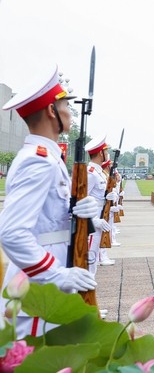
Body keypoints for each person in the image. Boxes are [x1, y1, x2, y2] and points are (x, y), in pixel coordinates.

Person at [0, 66, 101, 338]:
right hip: (37, 290)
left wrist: (78, 212)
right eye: (66, 104)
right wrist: (57, 275)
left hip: (46, 281)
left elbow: (47, 220)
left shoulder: (48, 157)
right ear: (50, 111)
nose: (70, 110)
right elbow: (12, 233)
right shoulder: (38, 160)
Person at [84, 136, 114, 270]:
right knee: (89, 257)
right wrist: (93, 219)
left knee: (94, 256)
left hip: (101, 215)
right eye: (106, 152)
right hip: (92, 219)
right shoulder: (90, 173)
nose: (107, 155)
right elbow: (82, 198)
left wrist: (108, 197)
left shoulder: (99, 172)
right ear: (100, 153)